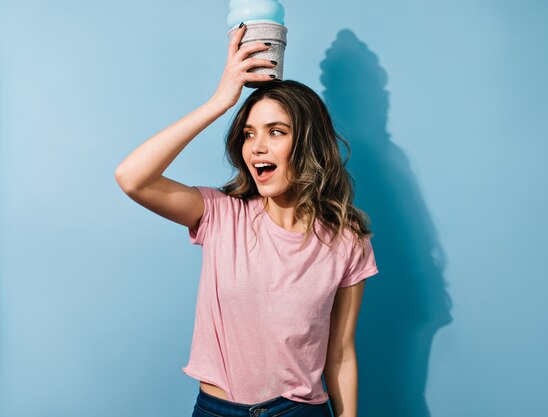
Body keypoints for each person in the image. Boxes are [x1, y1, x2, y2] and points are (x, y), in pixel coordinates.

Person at [115, 22, 379, 417]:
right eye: (248, 134)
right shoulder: (221, 213)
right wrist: (221, 100)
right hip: (218, 410)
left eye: (276, 132)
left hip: (300, 411)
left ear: (307, 144)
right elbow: (132, 178)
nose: (257, 147)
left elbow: (340, 354)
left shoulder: (347, 241)